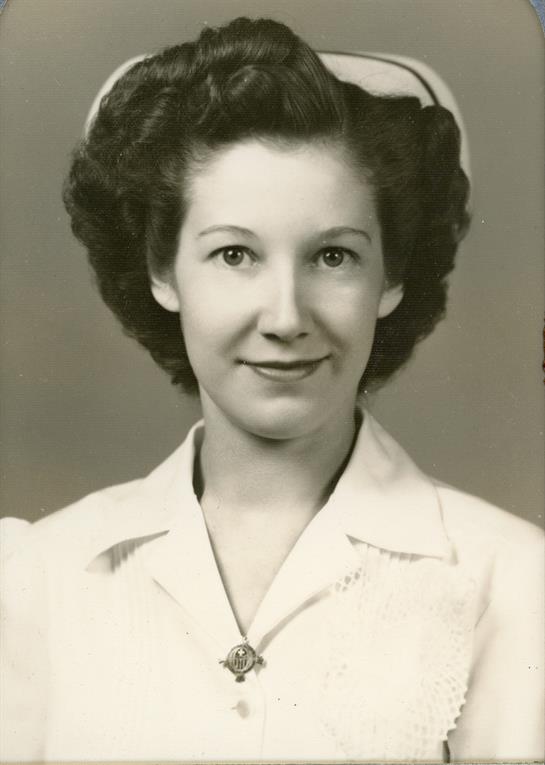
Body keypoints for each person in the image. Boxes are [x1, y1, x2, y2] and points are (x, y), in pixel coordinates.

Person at [0, 16, 543, 763]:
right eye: (234, 254)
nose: (286, 318)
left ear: (390, 277)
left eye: (332, 256)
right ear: (162, 271)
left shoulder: (512, 581)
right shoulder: (38, 576)